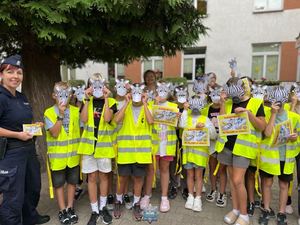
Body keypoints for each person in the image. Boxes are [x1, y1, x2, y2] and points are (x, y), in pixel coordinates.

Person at [0, 54, 50, 225]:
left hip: (28, 149)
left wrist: (33, 126)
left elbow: (20, 122)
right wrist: (17, 135)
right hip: (11, 152)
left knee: (33, 188)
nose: (15, 76)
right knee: (13, 195)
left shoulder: (22, 97)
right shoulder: (1, 97)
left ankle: (30, 217)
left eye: (19, 73)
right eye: (10, 72)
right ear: (1, 75)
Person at [216, 77, 266, 225]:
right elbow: (222, 120)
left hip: (243, 148)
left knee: (238, 181)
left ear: (242, 87)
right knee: (233, 180)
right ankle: (236, 209)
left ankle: (244, 215)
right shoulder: (230, 101)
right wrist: (223, 103)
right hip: (227, 146)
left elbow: (262, 127)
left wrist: (248, 114)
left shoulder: (256, 103)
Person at [78, 73, 117, 225]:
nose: (97, 88)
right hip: (89, 148)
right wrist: (87, 99)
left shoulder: (111, 101)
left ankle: (103, 207)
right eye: (93, 85)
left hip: (104, 148)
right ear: (89, 87)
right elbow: (83, 119)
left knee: (104, 178)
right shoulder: (86, 101)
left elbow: (107, 118)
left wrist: (106, 98)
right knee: (92, 178)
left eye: (100, 85)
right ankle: (94, 210)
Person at [258, 86, 299, 225]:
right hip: (270, 158)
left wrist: (295, 137)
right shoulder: (266, 113)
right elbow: (268, 133)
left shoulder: (294, 116)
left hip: (285, 158)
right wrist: (273, 114)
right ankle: (266, 209)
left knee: (284, 185)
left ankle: (281, 212)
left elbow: (298, 133)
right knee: (267, 183)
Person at [113, 83, 154, 221]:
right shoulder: (124, 106)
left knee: (138, 179)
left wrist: (145, 102)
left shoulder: (147, 107)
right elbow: (116, 119)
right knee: (122, 178)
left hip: (141, 154)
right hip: (126, 153)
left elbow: (151, 121)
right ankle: (118, 201)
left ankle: (136, 204)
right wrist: (127, 102)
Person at [44, 82, 80, 225]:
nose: (63, 97)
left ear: (70, 95)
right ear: (54, 96)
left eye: (67, 94)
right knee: (59, 184)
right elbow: (54, 133)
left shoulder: (76, 111)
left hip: (73, 156)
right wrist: (61, 114)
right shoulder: (49, 112)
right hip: (57, 158)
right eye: (60, 94)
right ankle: (62, 210)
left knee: (72, 183)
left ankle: (70, 208)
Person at [179, 95, 217, 212]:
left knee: (198, 176)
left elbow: (214, 136)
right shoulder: (187, 117)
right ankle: (190, 196)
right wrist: (185, 110)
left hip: (200, 155)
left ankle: (198, 198)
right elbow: (181, 124)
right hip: (188, 153)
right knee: (189, 175)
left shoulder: (205, 119)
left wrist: (205, 127)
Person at [204, 87, 228, 208]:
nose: (216, 96)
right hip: (211, 143)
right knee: (212, 167)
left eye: (219, 94)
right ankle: (213, 189)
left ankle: (222, 193)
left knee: (222, 170)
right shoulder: (206, 109)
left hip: (223, 143)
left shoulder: (227, 107)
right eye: (213, 94)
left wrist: (223, 103)